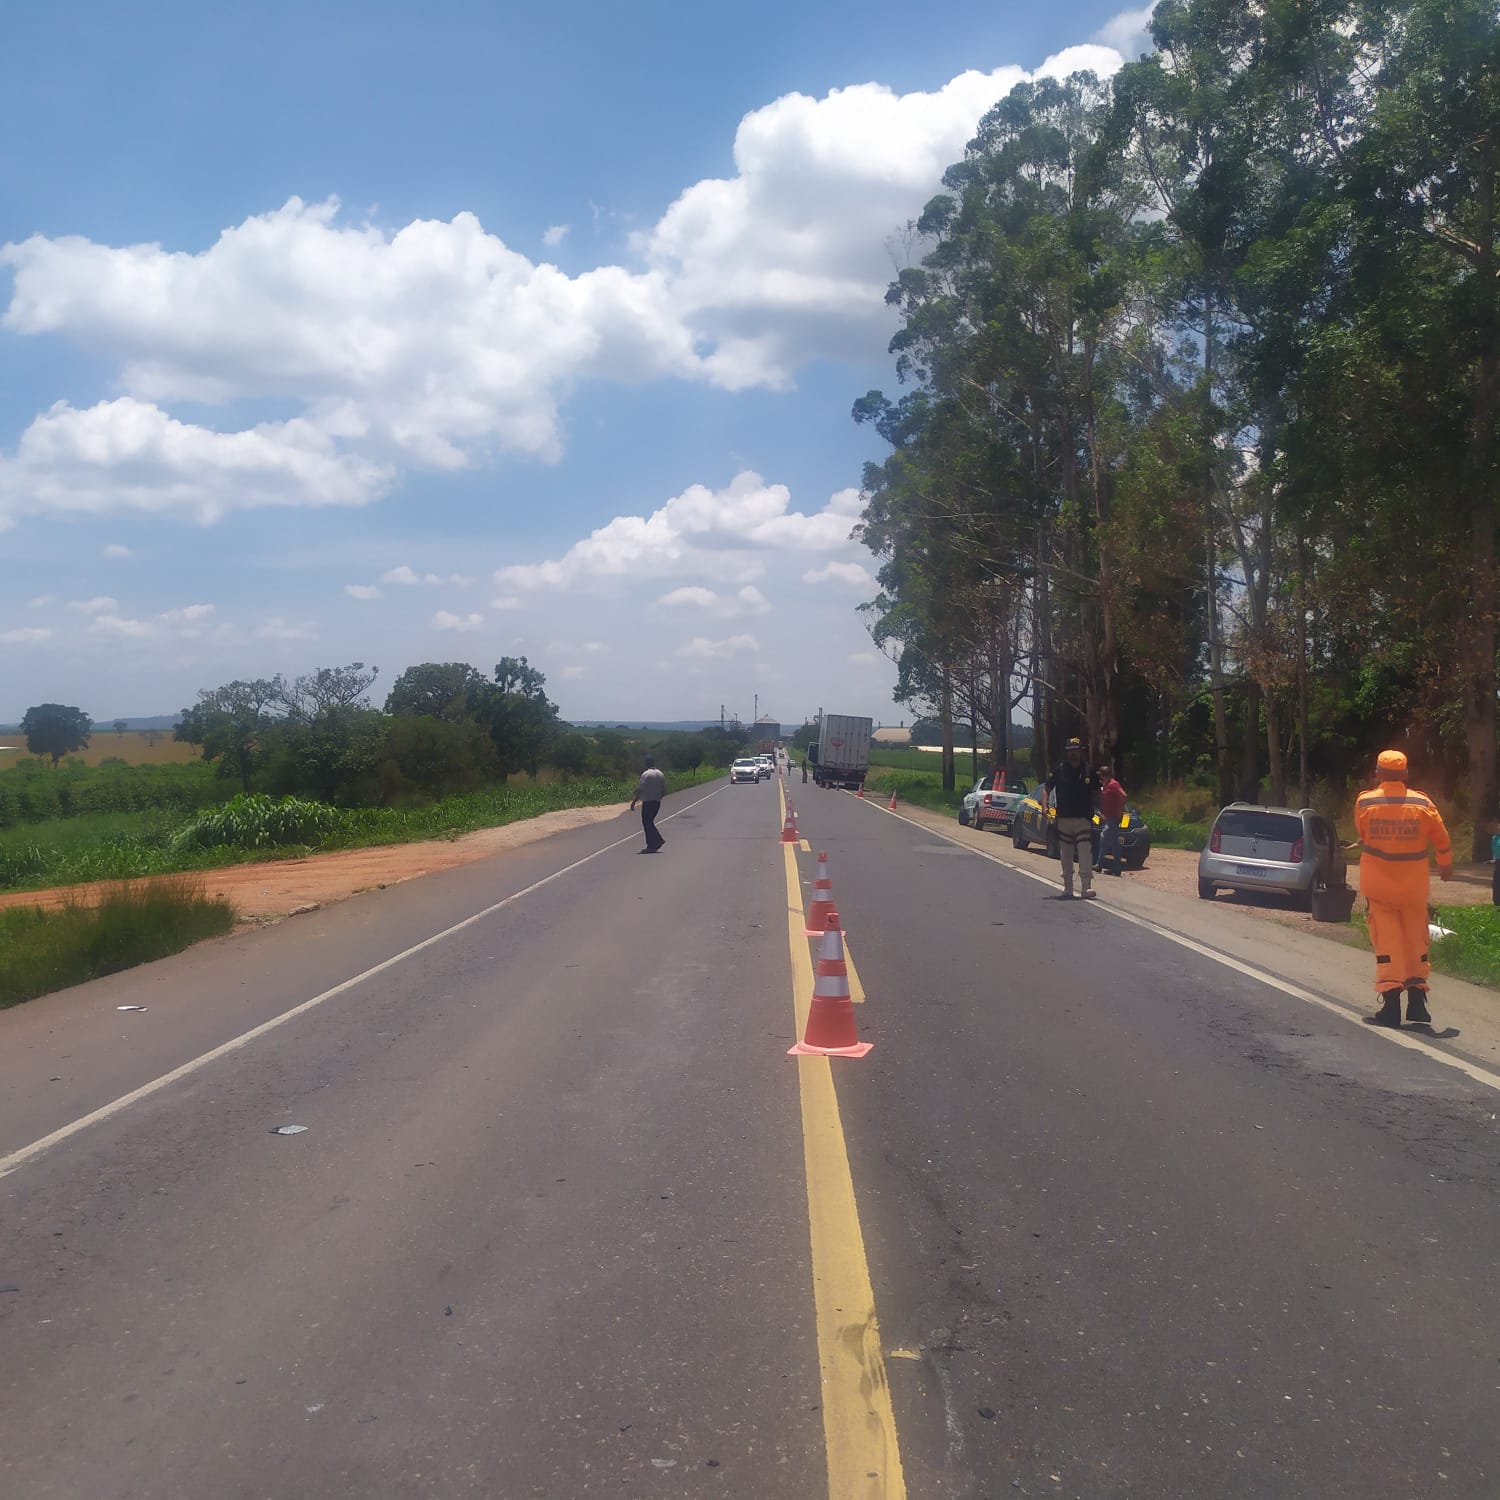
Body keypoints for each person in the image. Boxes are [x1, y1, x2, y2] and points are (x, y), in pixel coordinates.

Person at [1354, 749, 1452, 1027]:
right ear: (1406, 774)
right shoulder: (1422, 803)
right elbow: (1441, 837)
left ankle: (1391, 1008)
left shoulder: (1365, 803)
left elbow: (1362, 833)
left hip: (1380, 888)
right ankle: (1418, 1005)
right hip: (1413, 888)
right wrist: (1445, 863)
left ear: (1378, 773)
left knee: (1388, 944)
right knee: (1415, 943)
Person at [1043, 737, 1101, 899]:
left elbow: (1097, 793)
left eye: (1075, 750)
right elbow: (1046, 788)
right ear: (1066, 753)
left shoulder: (1089, 771)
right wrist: (1044, 805)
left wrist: (1103, 811)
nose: (1073, 754)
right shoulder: (1059, 770)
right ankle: (1068, 887)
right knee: (1066, 854)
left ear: (1081, 751)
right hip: (1064, 819)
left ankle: (1086, 888)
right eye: (1070, 751)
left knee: (1084, 852)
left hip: (1083, 818)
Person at [630, 754, 667, 853]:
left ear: (646, 763)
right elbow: (664, 790)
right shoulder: (660, 773)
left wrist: (634, 802)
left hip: (648, 802)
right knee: (649, 822)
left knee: (647, 822)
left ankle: (653, 843)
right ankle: (655, 842)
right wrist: (658, 797)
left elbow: (640, 790)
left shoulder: (646, 774)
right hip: (657, 802)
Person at [1097, 765, 1127, 876]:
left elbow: (1123, 795)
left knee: (1103, 836)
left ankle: (1099, 864)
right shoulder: (1105, 785)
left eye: (1101, 774)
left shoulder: (1114, 784)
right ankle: (1117, 869)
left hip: (1113, 817)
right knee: (1115, 844)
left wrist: (1119, 811)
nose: (1099, 777)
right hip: (1108, 817)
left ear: (1105, 775)